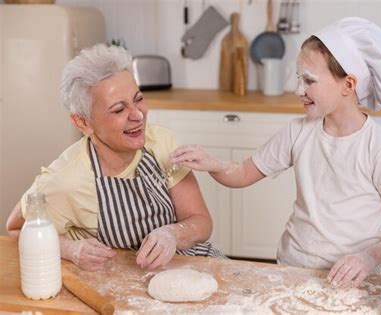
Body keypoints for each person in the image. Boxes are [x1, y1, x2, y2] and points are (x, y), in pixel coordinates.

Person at [170, 17, 381, 288]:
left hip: (355, 279)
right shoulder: (299, 132)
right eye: (298, 79)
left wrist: (367, 258)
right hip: (293, 268)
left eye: (309, 80)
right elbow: (244, 173)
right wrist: (214, 164)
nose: (298, 90)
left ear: (348, 85)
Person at [6, 43, 222, 271]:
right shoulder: (65, 180)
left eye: (138, 99)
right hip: (127, 279)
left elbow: (201, 221)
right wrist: (71, 249)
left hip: (191, 262)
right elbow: (15, 230)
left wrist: (173, 234)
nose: (138, 115)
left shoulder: (161, 143)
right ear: (83, 122)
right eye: (119, 110)